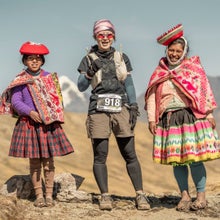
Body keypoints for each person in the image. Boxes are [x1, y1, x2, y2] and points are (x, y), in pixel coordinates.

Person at [144, 24, 220, 212]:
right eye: (171, 50)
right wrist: (152, 119)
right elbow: (153, 96)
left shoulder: (192, 69)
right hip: (169, 120)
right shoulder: (159, 72)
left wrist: (208, 114)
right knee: (177, 160)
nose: (174, 54)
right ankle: (184, 195)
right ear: (166, 50)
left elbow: (202, 92)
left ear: (184, 51)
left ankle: (201, 195)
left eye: (178, 51)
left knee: (194, 159)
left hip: (191, 117)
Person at [77, 19, 150, 211]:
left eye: (109, 34)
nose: (105, 38)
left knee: (129, 153)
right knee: (100, 155)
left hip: (121, 108)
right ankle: (105, 196)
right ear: (95, 36)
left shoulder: (121, 57)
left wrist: (133, 105)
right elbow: (81, 87)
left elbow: (129, 84)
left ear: (114, 37)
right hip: (98, 110)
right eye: (101, 35)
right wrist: (88, 74)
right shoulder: (88, 59)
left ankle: (140, 195)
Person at [0, 41, 74, 207]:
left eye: (38, 58)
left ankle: (49, 196)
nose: (34, 61)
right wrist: (30, 112)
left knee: (48, 162)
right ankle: (38, 195)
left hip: (48, 125)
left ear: (42, 61)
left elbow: (56, 101)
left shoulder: (49, 78)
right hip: (30, 124)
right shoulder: (20, 80)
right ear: (25, 61)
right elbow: (16, 101)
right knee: (34, 162)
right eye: (31, 58)